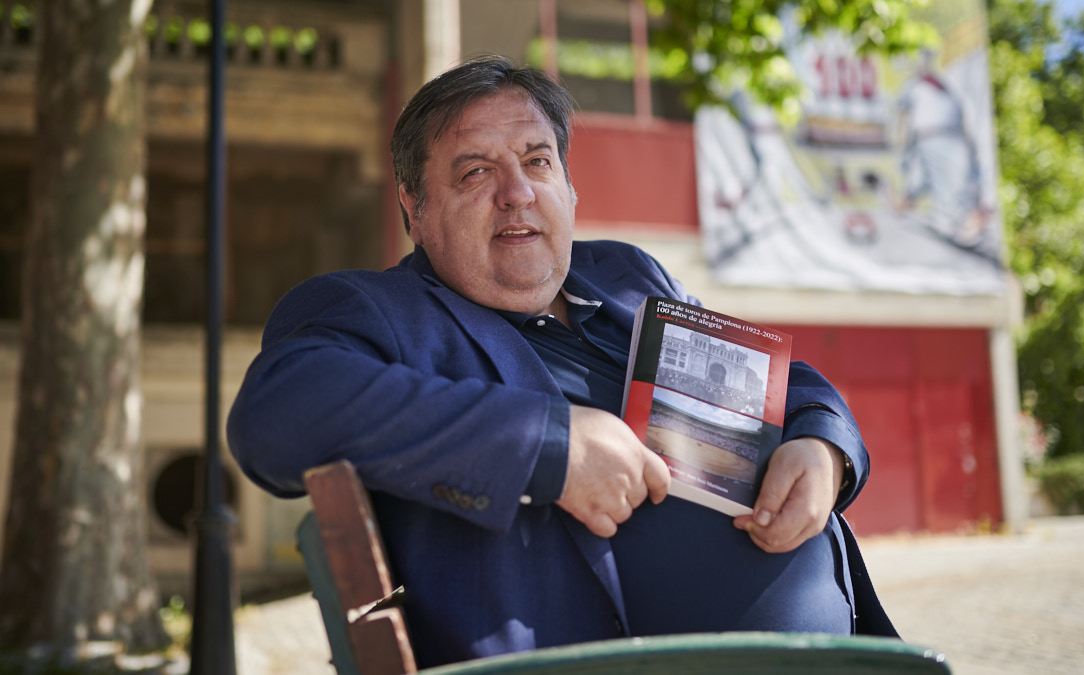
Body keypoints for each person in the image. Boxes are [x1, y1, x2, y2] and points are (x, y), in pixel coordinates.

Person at [227, 55, 895, 669]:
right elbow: (277, 412)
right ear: (415, 207)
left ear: (570, 188)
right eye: (475, 171)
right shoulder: (376, 311)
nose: (517, 192)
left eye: (537, 161)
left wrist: (819, 440)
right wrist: (550, 445)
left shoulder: (628, 273)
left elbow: (773, 379)